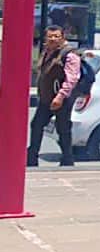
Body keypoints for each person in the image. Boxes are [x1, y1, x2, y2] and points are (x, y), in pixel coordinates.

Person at [27, 25, 81, 168]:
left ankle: (67, 160)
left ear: (62, 37)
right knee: (36, 125)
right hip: (46, 99)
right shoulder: (47, 52)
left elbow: (72, 79)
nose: (52, 39)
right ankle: (32, 158)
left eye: (56, 36)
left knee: (63, 129)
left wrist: (60, 97)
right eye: (50, 36)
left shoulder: (69, 55)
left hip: (61, 99)